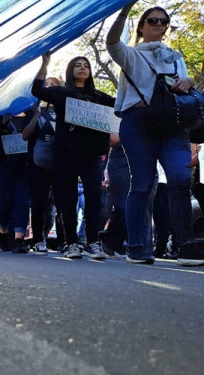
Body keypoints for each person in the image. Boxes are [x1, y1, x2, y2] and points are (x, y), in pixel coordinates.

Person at [107, 2, 200, 265]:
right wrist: (124, 11)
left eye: (163, 21)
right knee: (143, 183)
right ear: (142, 26)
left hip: (172, 123)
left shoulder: (175, 56)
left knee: (181, 178)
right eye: (153, 20)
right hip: (138, 123)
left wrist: (189, 81)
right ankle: (137, 248)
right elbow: (111, 42)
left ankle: (185, 246)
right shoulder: (130, 55)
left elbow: (183, 86)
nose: (159, 25)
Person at [32, 54, 115, 260]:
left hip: (92, 155)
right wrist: (45, 64)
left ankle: (93, 242)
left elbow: (120, 105)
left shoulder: (100, 97)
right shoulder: (61, 93)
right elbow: (37, 90)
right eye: (77, 65)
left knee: (94, 197)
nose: (82, 68)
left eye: (86, 65)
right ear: (71, 70)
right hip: (65, 155)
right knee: (67, 198)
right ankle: (71, 243)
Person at [21, 77, 60, 255]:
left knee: (63, 203)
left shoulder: (66, 110)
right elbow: (25, 136)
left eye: (55, 85)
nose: (50, 87)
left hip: (61, 164)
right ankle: (37, 239)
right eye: (47, 85)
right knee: (38, 203)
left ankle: (64, 241)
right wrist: (37, 114)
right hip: (38, 164)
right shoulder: (33, 110)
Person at [0, 109, 38, 253]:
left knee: (22, 201)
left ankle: (19, 240)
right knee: (6, 202)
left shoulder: (32, 115)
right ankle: (4, 232)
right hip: (6, 167)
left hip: (25, 167)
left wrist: (36, 116)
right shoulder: (3, 115)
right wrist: (2, 125)